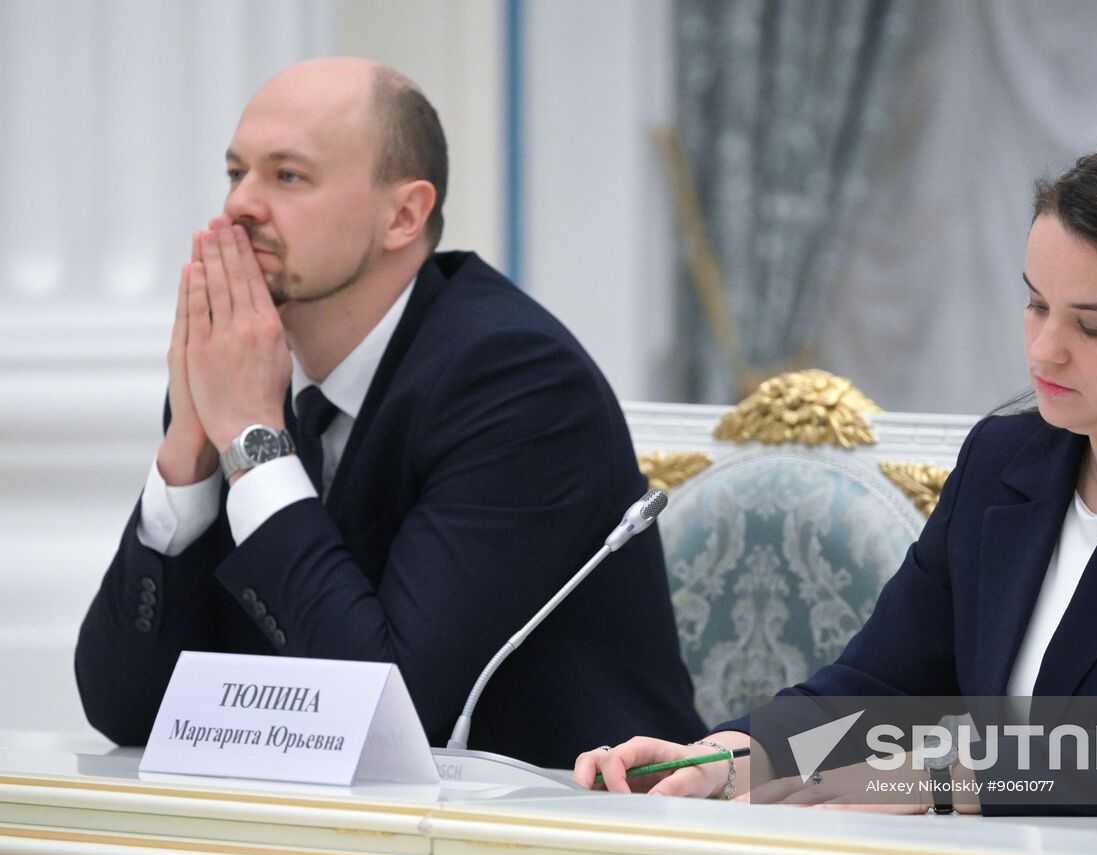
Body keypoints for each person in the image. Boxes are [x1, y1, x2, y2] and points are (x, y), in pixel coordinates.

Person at [575, 137, 1097, 809]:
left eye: (1092, 327)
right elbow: (881, 691)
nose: (1045, 350)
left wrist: (947, 779)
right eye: (1036, 305)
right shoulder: (1006, 462)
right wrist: (723, 759)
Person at [75, 58, 705, 766]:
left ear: (403, 216)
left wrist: (254, 447)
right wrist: (187, 459)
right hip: (325, 821)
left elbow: (387, 715)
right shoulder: (240, 376)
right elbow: (123, 709)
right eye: (235, 172)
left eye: (288, 176)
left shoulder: (516, 382)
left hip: (577, 818)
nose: (240, 205)